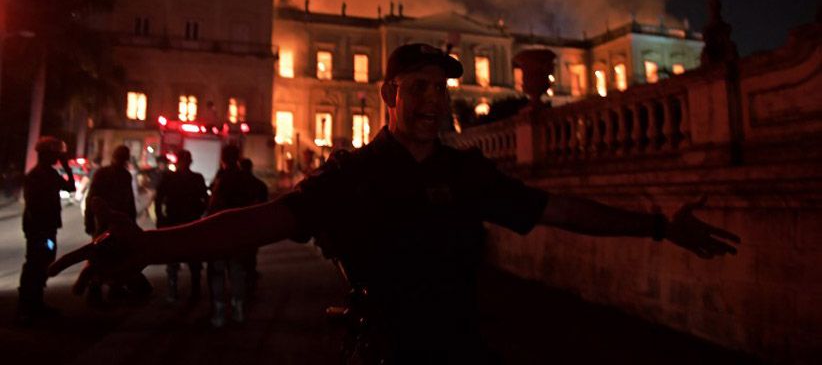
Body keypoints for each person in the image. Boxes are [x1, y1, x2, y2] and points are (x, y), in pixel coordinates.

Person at [51, 43, 741, 363]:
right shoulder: (356, 177)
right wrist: (150, 243)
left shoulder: (466, 172)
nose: (433, 102)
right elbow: (258, 222)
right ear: (389, 97)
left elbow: (555, 209)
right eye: (417, 87)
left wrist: (656, 226)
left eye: (441, 90)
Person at [14, 137, 75, 325]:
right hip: (39, 228)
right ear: (45, 154)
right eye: (55, 155)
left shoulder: (51, 173)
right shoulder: (36, 175)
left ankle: (37, 303)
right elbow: (33, 205)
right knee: (34, 263)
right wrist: (39, 228)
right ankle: (26, 307)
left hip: (48, 227)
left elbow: (71, 187)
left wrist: (66, 166)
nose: (57, 158)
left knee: (44, 262)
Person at [82, 145, 151, 305]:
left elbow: (127, 201)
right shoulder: (114, 175)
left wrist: (89, 220)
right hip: (108, 222)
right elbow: (93, 198)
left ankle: (109, 290)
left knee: (110, 256)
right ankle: (99, 291)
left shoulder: (114, 174)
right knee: (104, 255)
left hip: (111, 222)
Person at [206, 145, 257, 327]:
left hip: (221, 232)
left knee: (218, 273)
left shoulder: (223, 178)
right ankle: (238, 310)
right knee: (237, 272)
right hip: (240, 232)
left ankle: (219, 314)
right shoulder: (245, 179)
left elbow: (213, 206)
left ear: (223, 158)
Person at [155, 150, 208, 302]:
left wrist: (161, 219)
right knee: (193, 260)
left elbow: (159, 200)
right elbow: (205, 199)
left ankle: (173, 292)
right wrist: (200, 213)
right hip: (191, 222)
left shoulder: (169, 178)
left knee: (174, 258)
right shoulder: (196, 178)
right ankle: (194, 291)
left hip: (175, 222)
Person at [239, 157, 268, 295]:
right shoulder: (259, 185)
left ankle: (244, 282)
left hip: (238, 225)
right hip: (252, 225)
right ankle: (250, 279)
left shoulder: (235, 185)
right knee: (250, 254)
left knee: (240, 255)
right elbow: (264, 206)